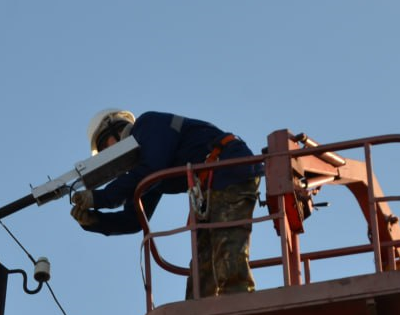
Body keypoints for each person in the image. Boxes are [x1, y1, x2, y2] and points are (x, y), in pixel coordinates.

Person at [70, 109, 262, 297]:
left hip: (229, 169)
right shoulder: (145, 168)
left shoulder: (147, 125)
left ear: (116, 128)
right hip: (210, 187)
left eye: (105, 146)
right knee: (201, 265)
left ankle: (238, 299)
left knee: (226, 247)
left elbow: (152, 169)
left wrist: (99, 198)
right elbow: (134, 219)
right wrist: (94, 221)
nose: (107, 154)